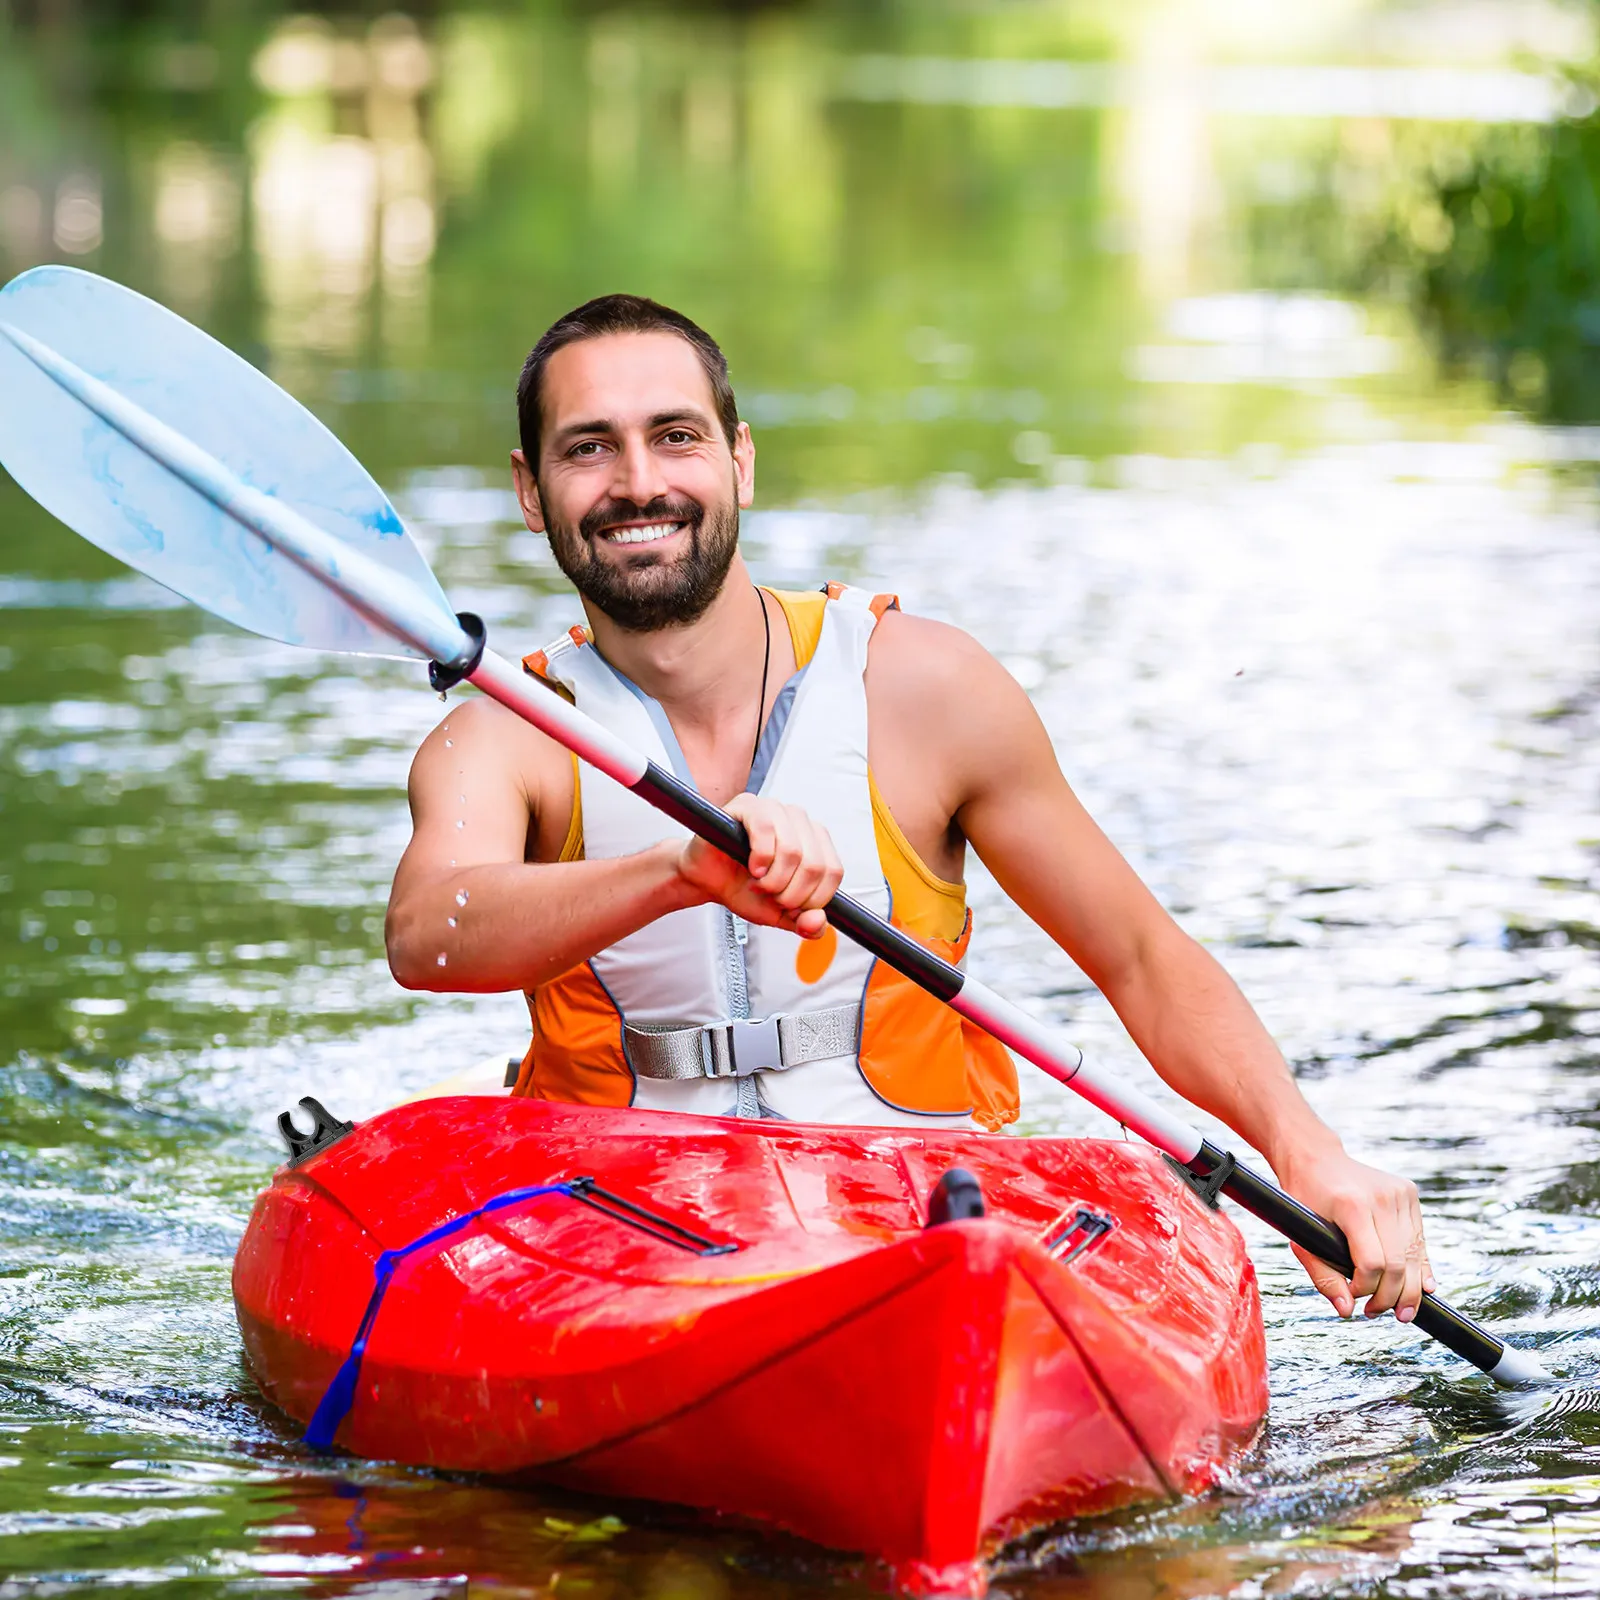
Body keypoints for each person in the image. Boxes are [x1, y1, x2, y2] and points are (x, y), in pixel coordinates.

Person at [386, 293, 1434, 1326]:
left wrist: (1307, 1151)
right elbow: (427, 936)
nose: (639, 481)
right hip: (620, 1234)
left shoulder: (924, 690)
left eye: (675, 436)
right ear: (530, 490)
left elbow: (1137, 959)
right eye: (588, 449)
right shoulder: (507, 734)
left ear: (739, 459)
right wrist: (673, 872)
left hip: (915, 1218)